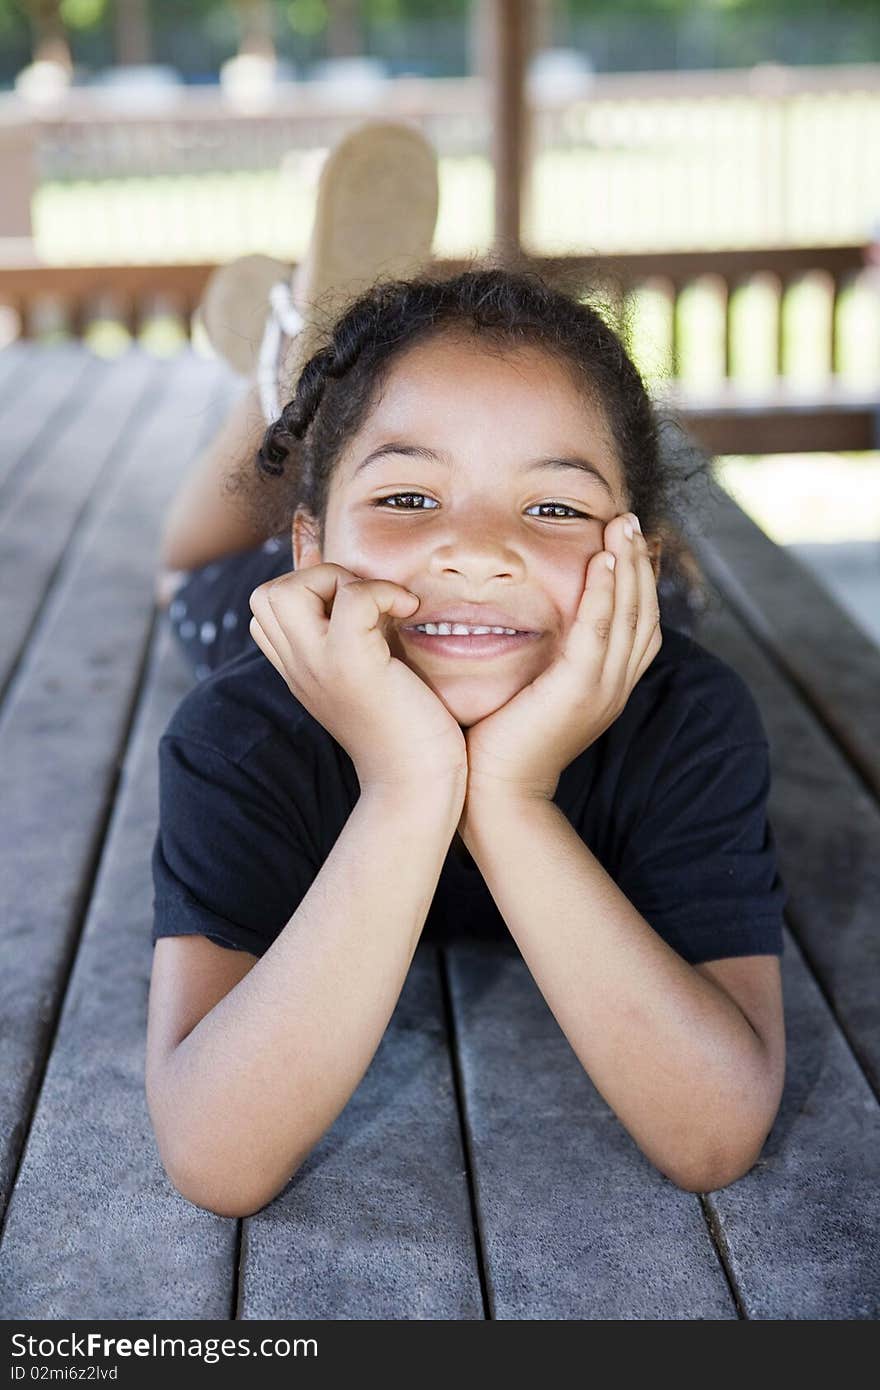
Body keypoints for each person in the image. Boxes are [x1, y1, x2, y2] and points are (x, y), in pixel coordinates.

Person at [146, 173, 787, 1229]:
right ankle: (274, 378)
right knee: (187, 578)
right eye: (407, 496)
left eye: (552, 502)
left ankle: (319, 382)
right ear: (312, 546)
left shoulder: (685, 719)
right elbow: (215, 1154)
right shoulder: (244, 727)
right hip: (335, 607)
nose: (479, 548)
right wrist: (406, 785)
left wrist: (511, 796)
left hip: (593, 609)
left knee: (636, 606)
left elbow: (714, 1133)